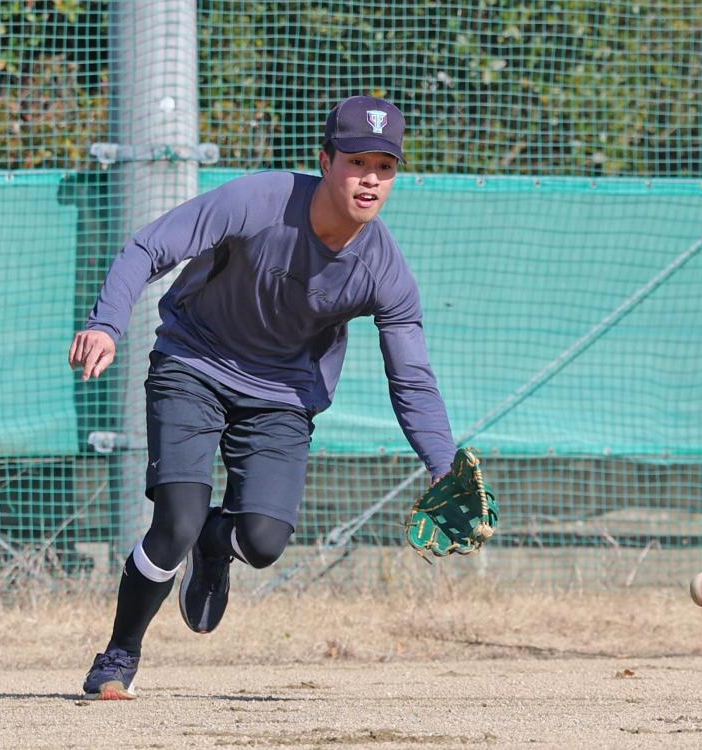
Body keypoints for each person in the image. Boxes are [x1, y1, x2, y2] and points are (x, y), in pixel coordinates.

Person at [68, 95, 458, 700]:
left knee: (264, 543)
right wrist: (106, 323)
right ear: (326, 160)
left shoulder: (384, 269)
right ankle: (119, 655)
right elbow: (149, 247)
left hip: (282, 395)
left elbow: (411, 378)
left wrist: (443, 465)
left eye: (385, 166)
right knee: (175, 521)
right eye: (357, 161)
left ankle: (214, 546)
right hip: (195, 362)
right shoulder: (258, 200)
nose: (370, 179)